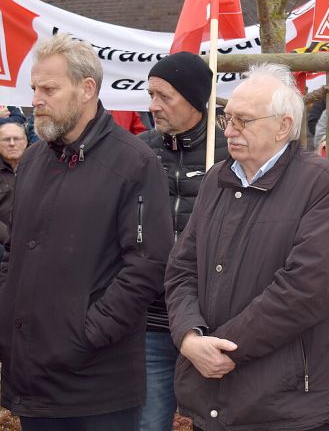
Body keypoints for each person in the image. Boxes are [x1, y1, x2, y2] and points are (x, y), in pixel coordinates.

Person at [164, 63, 329, 431]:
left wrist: (222, 346)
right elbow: (182, 268)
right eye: (227, 119)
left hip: (284, 406)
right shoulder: (216, 179)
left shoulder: (321, 183)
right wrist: (189, 335)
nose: (229, 130)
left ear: (283, 126)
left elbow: (306, 289)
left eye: (243, 121)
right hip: (212, 400)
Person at [0, 34, 173, 431]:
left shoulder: (134, 162)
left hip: (99, 385)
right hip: (34, 380)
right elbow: (15, 251)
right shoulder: (32, 160)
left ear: (86, 89)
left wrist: (85, 335)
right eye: (34, 89)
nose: (37, 99)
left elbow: (147, 265)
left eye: (49, 88)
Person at [137, 51, 229, 431]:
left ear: (193, 99)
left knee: (215, 423)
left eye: (164, 96)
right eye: (151, 95)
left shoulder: (231, 151)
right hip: (151, 320)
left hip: (213, 320)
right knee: (147, 423)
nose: (153, 106)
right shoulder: (139, 151)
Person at [0, 122, 28, 252]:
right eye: (6, 139)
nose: (12, 143)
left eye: (16, 139)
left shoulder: (41, 167)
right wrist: (12, 240)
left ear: (26, 141)